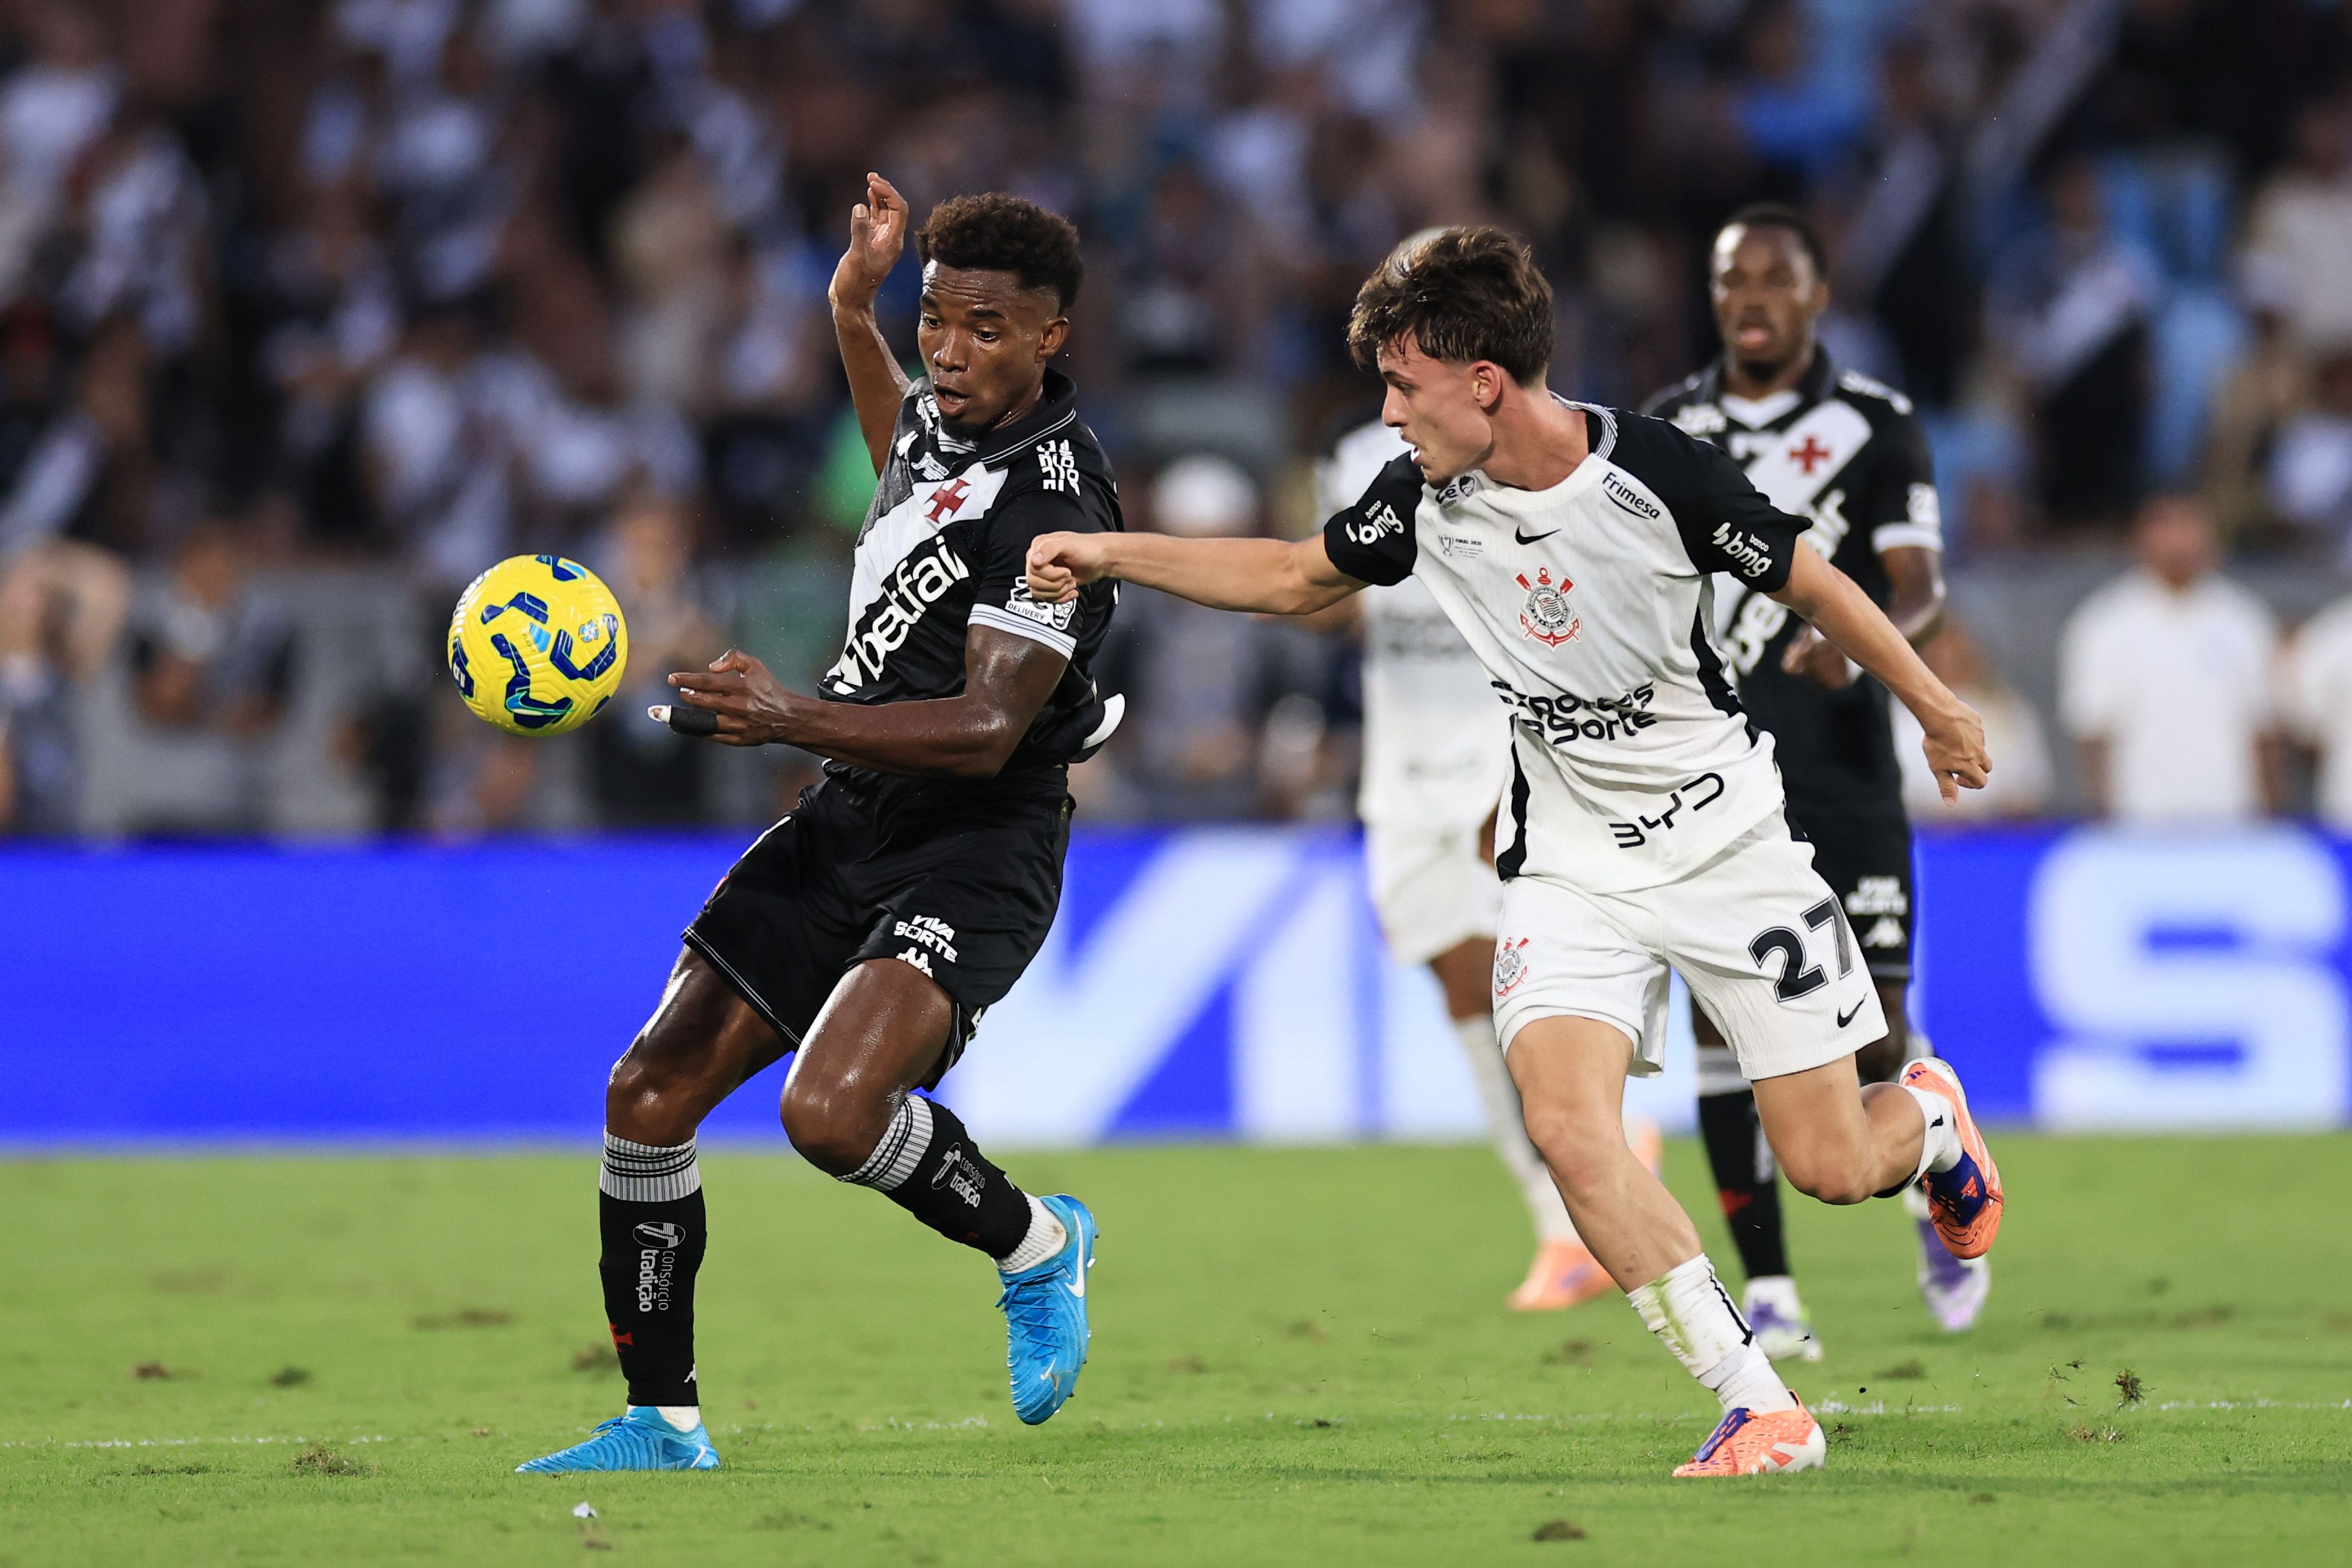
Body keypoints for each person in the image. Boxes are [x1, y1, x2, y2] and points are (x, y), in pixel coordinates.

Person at [1026, 228, 2003, 1479]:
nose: (1388, 416)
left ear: (1483, 379)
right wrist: (1110, 550)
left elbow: (1817, 584)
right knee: (1568, 1122)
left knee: (1830, 1162)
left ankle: (1925, 1122)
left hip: (1728, 846)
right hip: (1571, 866)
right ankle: (1759, 1402)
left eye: (1404, 388)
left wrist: (1934, 705)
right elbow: (1285, 574)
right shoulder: (1423, 496)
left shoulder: (1658, 476)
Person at [518, 175, 1122, 1473]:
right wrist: (852, 303)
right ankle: (660, 1422)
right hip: (848, 812)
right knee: (648, 1088)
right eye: (935, 319)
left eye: (987, 329)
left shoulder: (1056, 513)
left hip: (978, 839)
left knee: (832, 1112)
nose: (950, 353)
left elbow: (984, 729)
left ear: (1051, 338)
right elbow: (895, 448)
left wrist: (791, 712)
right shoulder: (937, 423)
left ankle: (1037, 1244)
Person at [1643, 205, 1985, 1354]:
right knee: (1718, 1027)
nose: (1752, 298)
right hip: (1714, 784)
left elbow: (1922, 580)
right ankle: (1774, 1290)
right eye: (1732, 278)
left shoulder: (1875, 423)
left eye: (1776, 280)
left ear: (1818, 293)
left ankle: (1935, 1157)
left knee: (1879, 1033)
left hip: (1841, 776)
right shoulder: (1668, 430)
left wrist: (1861, 635)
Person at [1317, 403, 1659, 1313]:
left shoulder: (1525, 441)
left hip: (1499, 746)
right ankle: (1561, 1212)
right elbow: (1335, 598)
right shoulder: (1353, 453)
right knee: (1463, 994)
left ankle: (1592, 1176)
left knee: (1527, 979)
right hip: (1401, 767)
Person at [2059, 495, 2282, 824]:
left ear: (2211, 538)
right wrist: (2103, 820)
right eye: (2164, 527)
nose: (2177, 540)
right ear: (2138, 540)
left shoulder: (2244, 620)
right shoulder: (2103, 624)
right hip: (2139, 820)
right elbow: (2093, 734)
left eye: (2188, 526)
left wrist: (2270, 818)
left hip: (2232, 818)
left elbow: (2265, 730)